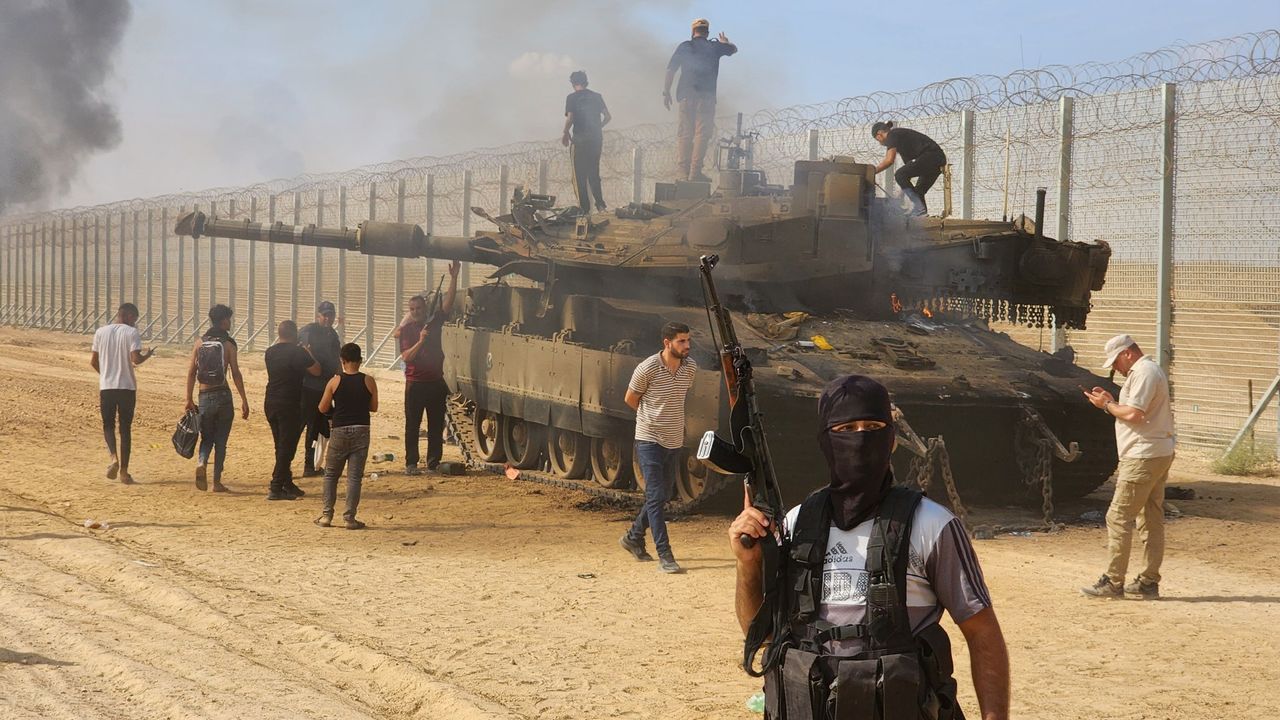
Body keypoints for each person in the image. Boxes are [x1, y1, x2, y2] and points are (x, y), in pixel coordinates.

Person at [729, 375, 1010, 720]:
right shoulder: (797, 523)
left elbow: (982, 632)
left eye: (873, 426)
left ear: (891, 440)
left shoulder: (931, 525)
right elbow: (762, 635)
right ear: (824, 440)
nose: (860, 439)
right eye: (845, 430)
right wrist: (748, 564)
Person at [1081, 335, 1176, 600]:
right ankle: (1148, 581)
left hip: (1142, 455)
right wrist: (1112, 401)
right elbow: (1133, 410)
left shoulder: (1144, 372)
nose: (1116, 368)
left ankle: (1113, 582)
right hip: (1156, 452)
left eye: (1116, 362)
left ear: (1128, 354)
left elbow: (1135, 414)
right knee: (1151, 517)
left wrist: (1107, 405)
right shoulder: (1146, 371)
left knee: (1118, 517)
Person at [619, 321, 698, 574]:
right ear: (667, 343)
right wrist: (651, 419)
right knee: (655, 495)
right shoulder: (648, 368)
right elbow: (630, 399)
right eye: (681, 341)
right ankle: (665, 554)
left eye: (688, 340)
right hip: (648, 438)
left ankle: (633, 536)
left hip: (674, 440)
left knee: (662, 495)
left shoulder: (690, 368)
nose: (687, 346)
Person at [398, 260, 460, 475]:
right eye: (412, 309)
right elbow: (407, 357)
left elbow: (448, 304)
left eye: (418, 308)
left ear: (425, 308)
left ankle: (433, 463)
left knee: (436, 426)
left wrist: (454, 278)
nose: (415, 311)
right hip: (415, 384)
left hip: (435, 382)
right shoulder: (406, 330)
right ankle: (411, 464)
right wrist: (422, 340)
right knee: (412, 425)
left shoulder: (434, 322)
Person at [184, 304, 249, 493]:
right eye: (228, 319)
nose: (230, 322)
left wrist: (188, 399)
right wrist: (244, 400)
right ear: (222, 321)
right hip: (223, 395)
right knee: (221, 440)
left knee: (207, 437)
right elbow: (236, 373)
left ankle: (202, 461)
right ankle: (217, 482)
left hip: (204, 395)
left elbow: (191, 373)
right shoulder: (228, 344)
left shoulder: (199, 343)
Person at [664, 18, 737, 183]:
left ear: (692, 32)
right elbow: (733, 49)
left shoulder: (685, 46)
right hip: (706, 97)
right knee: (701, 135)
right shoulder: (714, 46)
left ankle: (683, 172)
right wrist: (725, 42)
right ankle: (695, 172)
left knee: (685, 134)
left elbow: (671, 69)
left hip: (685, 96)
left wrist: (666, 91)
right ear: (708, 33)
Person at [89, 303, 154, 485]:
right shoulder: (131, 333)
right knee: (125, 429)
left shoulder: (100, 332)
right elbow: (136, 359)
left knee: (108, 425)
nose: (135, 322)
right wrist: (147, 355)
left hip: (107, 387)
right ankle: (124, 472)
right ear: (128, 315)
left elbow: (93, 362)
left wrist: (106, 375)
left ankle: (113, 458)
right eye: (135, 318)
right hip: (127, 387)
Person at [316, 342, 378, 530]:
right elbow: (373, 407)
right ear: (360, 360)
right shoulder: (369, 381)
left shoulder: (335, 381)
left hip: (340, 430)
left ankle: (327, 515)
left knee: (331, 475)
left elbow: (322, 407)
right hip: (361, 429)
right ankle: (349, 518)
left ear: (342, 361)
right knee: (354, 477)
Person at [263, 320, 321, 501]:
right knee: (287, 447)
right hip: (289, 403)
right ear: (294, 334)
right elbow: (317, 370)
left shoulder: (269, 352)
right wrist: (308, 351)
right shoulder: (298, 352)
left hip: (271, 401)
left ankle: (287, 483)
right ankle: (275, 486)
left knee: (280, 445)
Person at [298, 300, 342, 477]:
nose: (328, 318)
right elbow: (299, 352)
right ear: (318, 315)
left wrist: (342, 379)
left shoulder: (332, 334)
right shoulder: (308, 331)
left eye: (330, 315)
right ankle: (286, 464)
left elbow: (337, 358)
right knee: (299, 426)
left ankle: (310, 466)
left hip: (324, 387)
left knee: (315, 427)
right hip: (307, 386)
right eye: (325, 315)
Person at [872, 121, 947, 216]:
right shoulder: (902, 142)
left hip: (931, 155)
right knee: (918, 192)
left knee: (899, 174)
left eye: (877, 140)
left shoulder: (892, 135)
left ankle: (919, 208)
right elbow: (908, 174)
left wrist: (872, 171)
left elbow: (889, 160)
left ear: (879, 135)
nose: (880, 143)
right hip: (937, 159)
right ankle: (921, 214)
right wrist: (900, 195)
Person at [562, 70, 611, 214]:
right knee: (594, 173)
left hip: (579, 140)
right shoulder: (597, 97)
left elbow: (570, 118)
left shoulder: (571, 98)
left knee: (579, 176)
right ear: (586, 81)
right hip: (596, 140)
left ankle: (584, 210)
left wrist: (565, 132)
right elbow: (608, 117)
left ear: (573, 83)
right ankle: (601, 206)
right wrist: (597, 128)